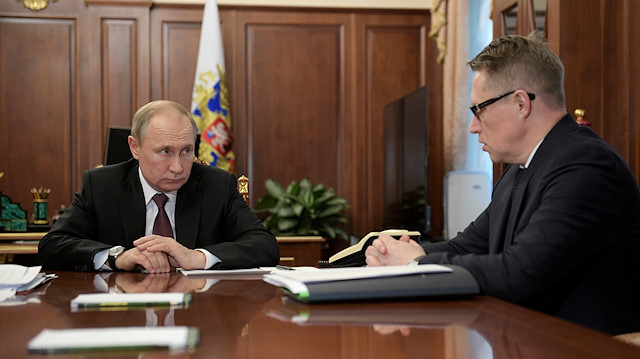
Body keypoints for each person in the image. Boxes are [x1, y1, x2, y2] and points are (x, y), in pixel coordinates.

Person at [365, 34, 640, 335]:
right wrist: (399, 253)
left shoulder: (586, 166)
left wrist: (417, 264)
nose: (473, 126)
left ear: (521, 103)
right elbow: (468, 245)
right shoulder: (519, 169)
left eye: (478, 109)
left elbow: (519, 272)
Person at [38, 100, 279, 273]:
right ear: (135, 148)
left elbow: (265, 245)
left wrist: (196, 257)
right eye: (165, 152)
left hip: (199, 312)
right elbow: (52, 246)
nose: (178, 167)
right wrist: (117, 257)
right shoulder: (102, 185)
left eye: (186, 151)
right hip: (123, 318)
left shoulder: (217, 185)